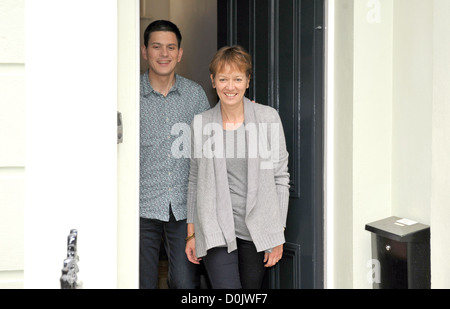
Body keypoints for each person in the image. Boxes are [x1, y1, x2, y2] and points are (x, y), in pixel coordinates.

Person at [185, 45, 290, 289]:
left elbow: (280, 178)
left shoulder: (268, 118)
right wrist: (191, 233)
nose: (230, 86)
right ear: (213, 81)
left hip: (257, 230)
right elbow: (194, 180)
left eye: (237, 79)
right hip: (215, 228)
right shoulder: (200, 123)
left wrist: (277, 233)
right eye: (223, 79)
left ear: (247, 81)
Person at [140, 20, 210, 289]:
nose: (164, 54)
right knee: (142, 282)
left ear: (180, 53)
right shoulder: (128, 94)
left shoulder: (194, 95)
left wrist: (243, 111)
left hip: (183, 207)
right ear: (145, 51)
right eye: (156, 47)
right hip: (141, 204)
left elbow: (211, 142)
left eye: (171, 47)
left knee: (184, 283)